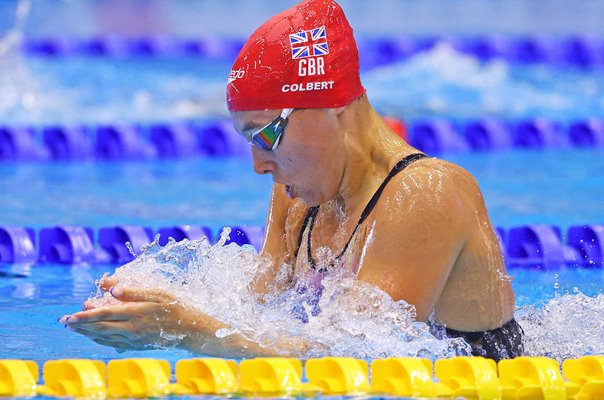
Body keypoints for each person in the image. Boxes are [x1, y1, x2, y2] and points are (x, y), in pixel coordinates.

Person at [60, 0, 523, 360]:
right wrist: (151, 314)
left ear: (332, 108)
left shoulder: (426, 194)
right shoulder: (297, 196)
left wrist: (190, 329)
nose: (259, 165)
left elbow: (361, 356)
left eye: (266, 136)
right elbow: (261, 317)